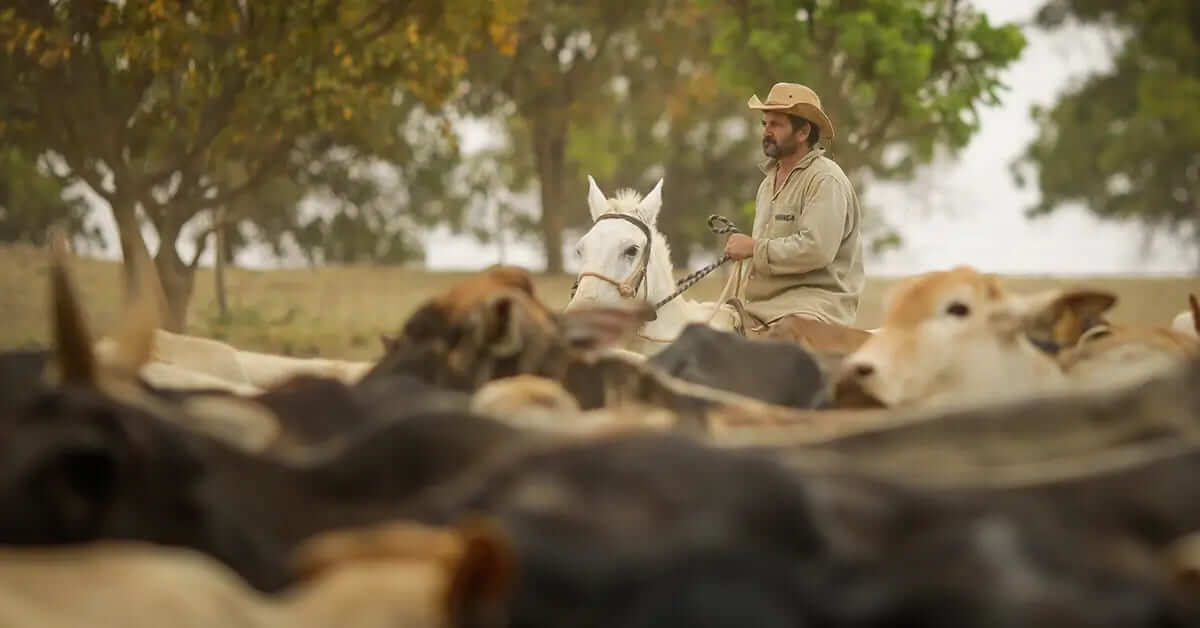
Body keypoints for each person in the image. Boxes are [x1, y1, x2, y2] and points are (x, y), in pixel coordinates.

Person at [723, 82, 865, 332]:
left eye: (776, 124)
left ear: (802, 132)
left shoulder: (825, 179)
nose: (766, 131)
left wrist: (754, 248)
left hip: (814, 307)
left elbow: (816, 250)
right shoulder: (767, 184)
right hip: (764, 308)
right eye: (764, 124)